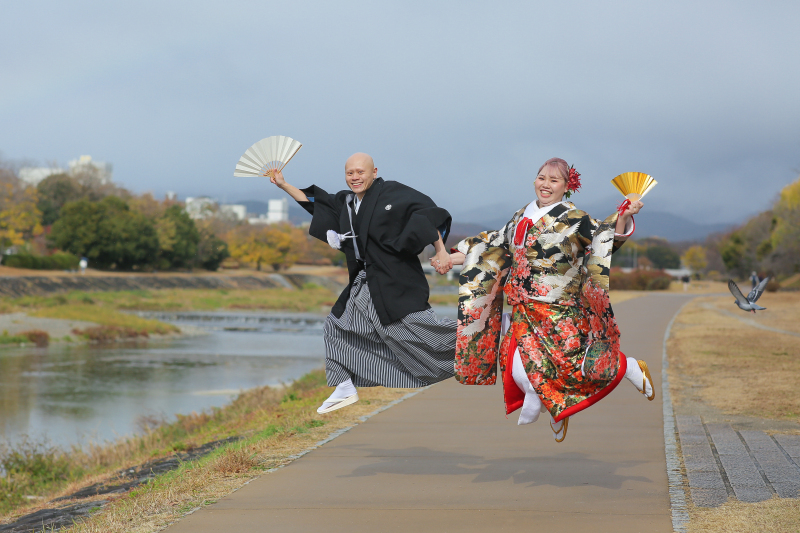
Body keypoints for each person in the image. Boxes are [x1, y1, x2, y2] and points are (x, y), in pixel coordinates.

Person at [447, 158, 654, 442]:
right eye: (541, 177)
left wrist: (624, 215)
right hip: (522, 307)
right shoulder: (521, 216)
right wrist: (451, 258)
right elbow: (492, 243)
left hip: (558, 310)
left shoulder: (575, 219)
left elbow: (603, 238)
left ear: (566, 187)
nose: (545, 184)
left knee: (571, 366)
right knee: (519, 368)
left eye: (554, 180)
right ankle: (555, 407)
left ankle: (628, 366)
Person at [270, 153, 457, 414]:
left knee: (414, 330)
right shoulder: (345, 202)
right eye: (349, 173)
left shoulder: (393, 192)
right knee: (337, 325)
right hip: (365, 278)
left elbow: (427, 216)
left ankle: (485, 336)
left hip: (395, 277)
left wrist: (441, 250)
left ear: (374, 172)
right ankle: (344, 385)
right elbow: (314, 203)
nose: (355, 177)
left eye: (360, 172)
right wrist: (284, 185)